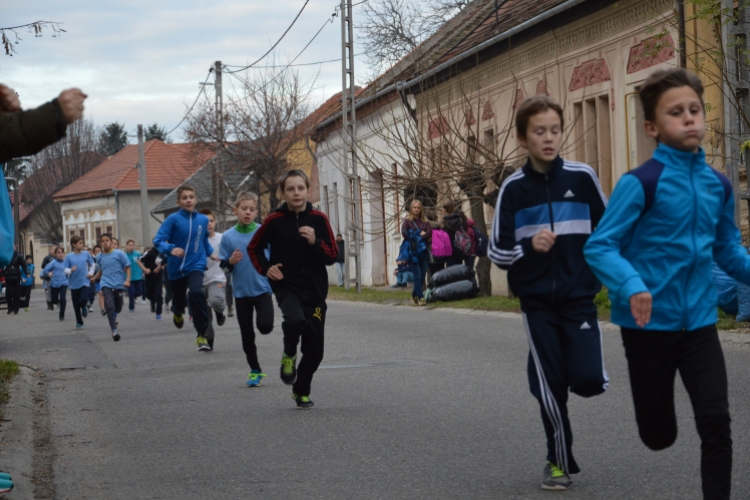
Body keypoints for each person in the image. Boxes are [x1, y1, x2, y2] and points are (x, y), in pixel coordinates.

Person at [584, 68, 746, 500]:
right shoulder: (640, 184)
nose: (690, 119)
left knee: (716, 420)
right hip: (648, 325)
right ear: (652, 127)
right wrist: (632, 284)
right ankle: (656, 425)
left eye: (695, 110)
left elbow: (727, 249)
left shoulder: (719, 185)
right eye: (677, 113)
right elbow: (600, 246)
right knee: (659, 435)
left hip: (699, 322)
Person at [488, 95, 608, 491]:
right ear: (524, 137)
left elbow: (609, 232)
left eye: (555, 130)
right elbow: (496, 252)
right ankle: (557, 460)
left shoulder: (581, 177)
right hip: (536, 303)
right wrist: (528, 247)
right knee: (551, 385)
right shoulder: (514, 190)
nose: (549, 138)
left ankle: (546, 369)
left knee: (589, 379)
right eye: (540, 131)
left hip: (578, 299)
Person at [248, 170, 337, 408]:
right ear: (282, 192)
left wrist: (315, 242)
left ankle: (301, 390)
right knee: (295, 320)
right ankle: (289, 354)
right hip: (287, 286)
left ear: (308, 191)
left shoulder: (319, 218)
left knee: (315, 352)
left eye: (300, 188)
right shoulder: (274, 220)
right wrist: (266, 268)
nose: (296, 193)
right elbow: (253, 248)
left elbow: (333, 255)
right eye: (290, 189)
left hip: (316, 292)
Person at [219, 192, 274, 387]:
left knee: (265, 327)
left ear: (256, 212)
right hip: (241, 294)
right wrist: (230, 262)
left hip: (262, 289)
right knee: (247, 335)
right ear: (236, 211)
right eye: (244, 209)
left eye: (251, 209)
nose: (248, 213)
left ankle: (256, 368)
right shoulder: (227, 237)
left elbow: (273, 258)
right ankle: (255, 370)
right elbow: (224, 267)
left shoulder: (263, 232)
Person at [153, 185, 215, 352]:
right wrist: (170, 249)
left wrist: (211, 253)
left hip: (195, 265)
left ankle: (202, 334)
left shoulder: (203, 220)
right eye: (185, 197)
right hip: (175, 268)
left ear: (195, 200)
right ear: (178, 201)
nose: (188, 200)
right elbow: (158, 240)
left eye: (191, 197)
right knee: (179, 301)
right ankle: (178, 311)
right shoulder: (172, 219)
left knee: (196, 293)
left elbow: (202, 241)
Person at [93, 233, 130, 341]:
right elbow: (102, 269)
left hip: (119, 284)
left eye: (107, 240)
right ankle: (114, 330)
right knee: (109, 305)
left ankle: (115, 314)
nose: (105, 242)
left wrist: (127, 280)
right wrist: (95, 277)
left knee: (118, 307)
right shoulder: (99, 257)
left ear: (110, 241)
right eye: (102, 241)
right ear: (100, 244)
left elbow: (127, 267)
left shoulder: (119, 254)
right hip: (106, 284)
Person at [200, 209, 228, 349]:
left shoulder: (222, 238)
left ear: (215, 222)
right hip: (200, 280)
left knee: (216, 300)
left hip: (217, 278)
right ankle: (208, 339)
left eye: (211, 221)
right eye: (205, 222)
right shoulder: (196, 240)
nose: (209, 224)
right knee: (204, 314)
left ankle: (219, 310)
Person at [400, 199, 432, 306]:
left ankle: (413, 296)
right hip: (412, 252)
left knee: (422, 276)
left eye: (418, 208)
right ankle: (421, 298)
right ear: (411, 208)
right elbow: (405, 233)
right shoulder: (407, 221)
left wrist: (419, 235)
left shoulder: (425, 221)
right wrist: (419, 233)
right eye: (414, 207)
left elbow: (429, 233)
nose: (416, 209)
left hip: (423, 251)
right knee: (417, 276)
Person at [62, 236, 95, 328]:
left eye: (82, 243)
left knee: (83, 299)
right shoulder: (69, 256)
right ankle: (79, 322)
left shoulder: (86, 254)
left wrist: (90, 273)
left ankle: (84, 306)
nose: (82, 245)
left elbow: (92, 265)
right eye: (80, 243)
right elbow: (64, 269)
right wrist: (71, 270)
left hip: (84, 281)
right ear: (74, 244)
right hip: (73, 283)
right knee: (76, 304)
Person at [41, 246, 69, 321]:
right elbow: (45, 270)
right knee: (54, 300)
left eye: (61, 253)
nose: (60, 254)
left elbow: (69, 270)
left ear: (63, 254)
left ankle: (61, 314)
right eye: (58, 253)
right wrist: (48, 274)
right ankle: (51, 302)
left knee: (63, 299)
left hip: (63, 282)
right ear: (55, 254)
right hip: (54, 284)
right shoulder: (53, 263)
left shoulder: (66, 262)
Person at [140, 247, 165, 321]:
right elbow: (138, 259)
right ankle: (152, 302)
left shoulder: (163, 252)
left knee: (158, 295)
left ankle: (158, 314)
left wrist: (163, 266)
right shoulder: (149, 253)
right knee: (149, 295)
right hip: (149, 277)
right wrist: (144, 269)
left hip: (158, 278)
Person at [3, 245, 27, 314]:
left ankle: (16, 308)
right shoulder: (5, 255)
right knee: (8, 294)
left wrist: (27, 272)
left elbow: (24, 264)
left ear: (15, 247)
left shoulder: (18, 255)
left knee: (17, 294)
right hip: (8, 277)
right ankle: (10, 308)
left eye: (13, 246)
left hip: (16, 277)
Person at [124, 240, 146, 312]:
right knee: (131, 293)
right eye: (129, 245)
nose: (131, 247)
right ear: (126, 246)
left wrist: (144, 271)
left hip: (138, 276)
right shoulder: (124, 256)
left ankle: (135, 296)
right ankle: (131, 307)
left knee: (139, 292)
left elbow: (143, 263)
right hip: (129, 278)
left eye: (132, 245)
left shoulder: (138, 254)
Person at [41, 245, 56, 310]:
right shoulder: (47, 258)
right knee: (48, 291)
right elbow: (43, 266)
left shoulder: (57, 258)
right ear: (50, 250)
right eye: (52, 249)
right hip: (48, 277)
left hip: (55, 277)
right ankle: (49, 304)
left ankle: (53, 301)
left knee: (54, 290)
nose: (53, 251)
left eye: (55, 249)